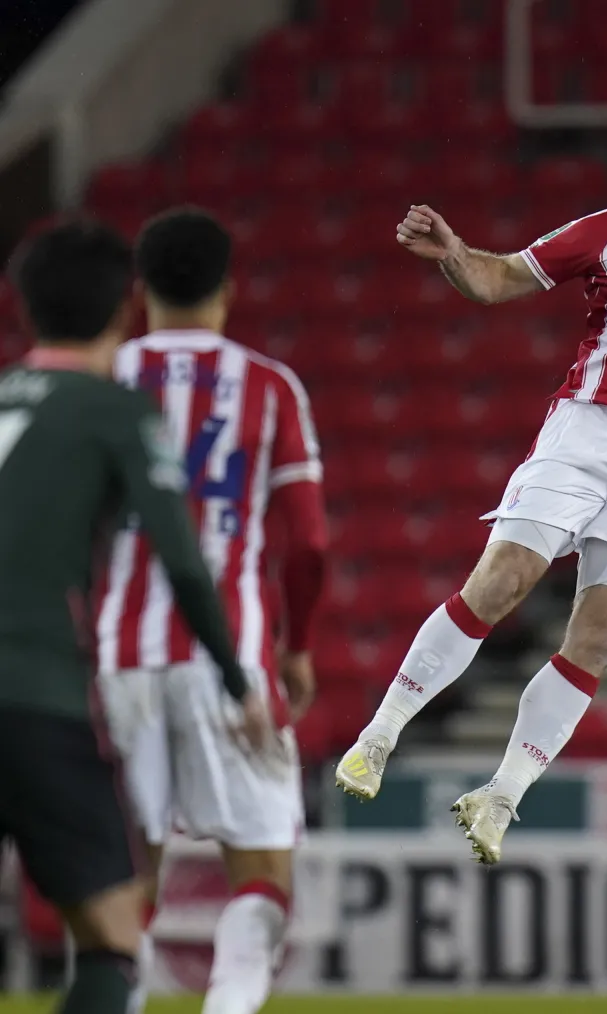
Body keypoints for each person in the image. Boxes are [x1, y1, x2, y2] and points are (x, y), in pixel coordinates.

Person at [335, 94, 607, 865]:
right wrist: (455, 255)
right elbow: (503, 279)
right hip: (589, 430)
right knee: (504, 582)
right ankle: (379, 734)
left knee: (600, 637)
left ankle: (500, 793)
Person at [0, 220, 268, 1014]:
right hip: (30, 695)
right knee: (113, 932)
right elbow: (183, 558)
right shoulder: (112, 410)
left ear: (24, 312)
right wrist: (234, 678)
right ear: (124, 313)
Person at [95, 208, 328, 1014]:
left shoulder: (103, 381)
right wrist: (297, 648)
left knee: (129, 878)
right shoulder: (268, 387)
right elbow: (307, 546)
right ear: (229, 291)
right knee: (261, 878)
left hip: (122, 660)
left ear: (138, 293)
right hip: (235, 661)